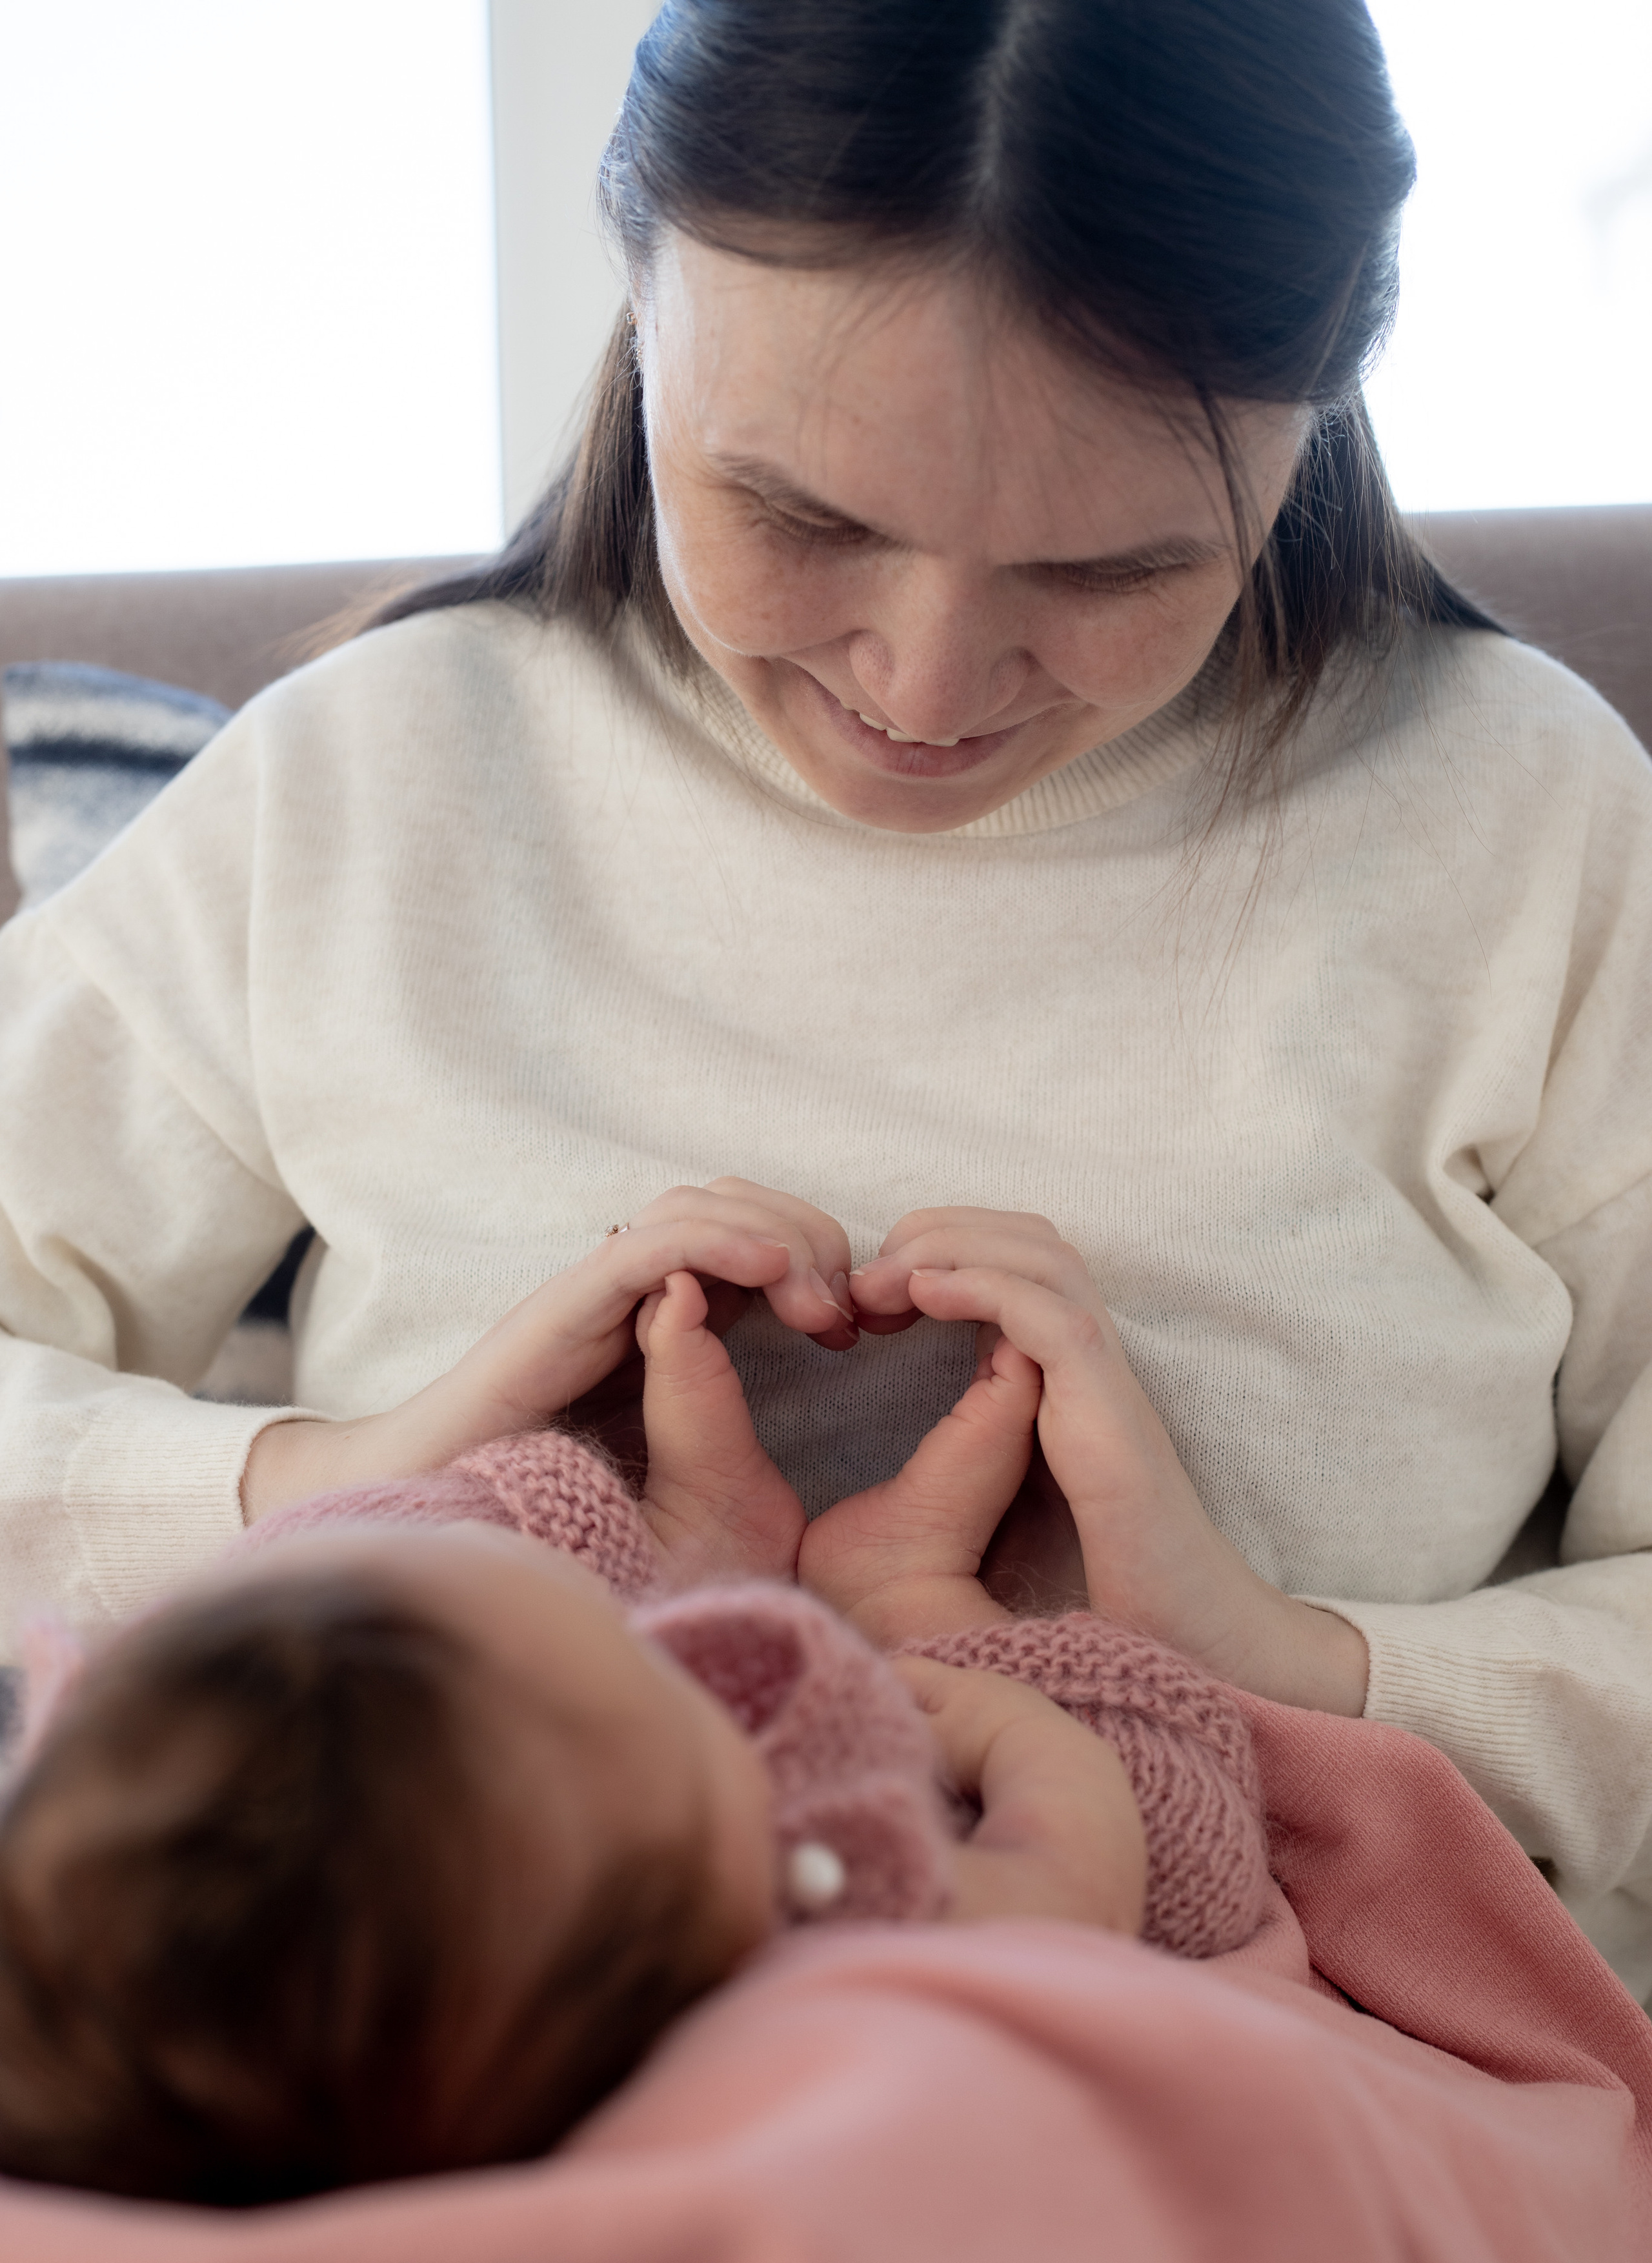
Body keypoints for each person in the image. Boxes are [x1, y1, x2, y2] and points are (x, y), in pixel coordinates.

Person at [0, 0, 1647, 1996]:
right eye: (802, 518)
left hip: (1290, 2094)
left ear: (1324, 405)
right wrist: (345, 1493)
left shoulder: (1535, 828)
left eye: (1119, 564)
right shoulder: (374, 783)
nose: (927, 691)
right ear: (637, 280)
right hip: (450, 2050)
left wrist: (1298, 1673)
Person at [0, 1243, 1267, 2204]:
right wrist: (942, 1643)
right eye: (658, 1650)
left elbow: (323, 1604)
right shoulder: (829, 1940)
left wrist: (682, 1542)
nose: (713, 1641)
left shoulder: (567, 1914)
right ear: (762, 1861)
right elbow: (1173, 1851)